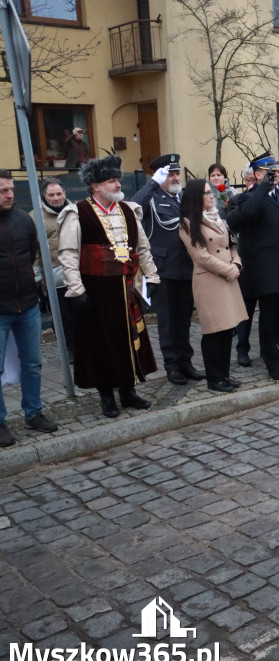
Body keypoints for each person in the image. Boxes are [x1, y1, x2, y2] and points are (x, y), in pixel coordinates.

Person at [57, 155, 160, 418]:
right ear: (95, 186)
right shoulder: (77, 212)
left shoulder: (128, 210)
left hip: (126, 288)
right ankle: (107, 396)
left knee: (128, 339)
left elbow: (143, 247)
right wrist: (76, 290)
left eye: (117, 180)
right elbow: (68, 254)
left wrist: (153, 276)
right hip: (96, 291)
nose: (116, 185)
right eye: (111, 181)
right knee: (101, 343)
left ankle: (128, 391)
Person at [226, 152, 279, 380]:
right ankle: (273, 363)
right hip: (267, 272)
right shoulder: (247, 198)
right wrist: (263, 187)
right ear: (257, 174)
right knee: (270, 320)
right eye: (269, 171)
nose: (276, 174)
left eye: (277, 170)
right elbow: (243, 216)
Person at [132, 153, 205, 386]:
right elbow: (133, 207)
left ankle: (186, 361)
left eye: (176, 173)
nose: (175, 178)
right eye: (169, 173)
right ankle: (172, 365)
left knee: (184, 319)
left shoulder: (181, 197)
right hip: (164, 269)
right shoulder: (153, 198)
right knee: (168, 322)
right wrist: (152, 183)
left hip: (186, 267)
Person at [0, 169, 59, 447]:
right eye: (3, 191)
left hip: (28, 305)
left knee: (33, 363)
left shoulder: (24, 220)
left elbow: (33, 254)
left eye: (11, 189)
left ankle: (33, 412)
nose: (10, 194)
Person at [178, 179, 247, 393]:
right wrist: (229, 270)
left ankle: (224, 375)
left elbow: (231, 244)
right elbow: (201, 257)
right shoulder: (187, 223)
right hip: (209, 280)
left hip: (228, 277)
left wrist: (236, 262)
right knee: (214, 332)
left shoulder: (217, 217)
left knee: (228, 330)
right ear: (195, 197)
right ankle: (214, 378)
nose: (211, 196)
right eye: (206, 193)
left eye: (211, 192)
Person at [31, 178, 74, 356]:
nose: (56, 198)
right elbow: (33, 250)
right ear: (44, 196)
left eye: (59, 194)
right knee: (62, 318)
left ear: (65, 194)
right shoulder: (35, 217)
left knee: (82, 313)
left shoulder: (76, 211)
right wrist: (37, 279)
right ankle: (69, 350)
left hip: (78, 273)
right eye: (51, 195)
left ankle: (85, 348)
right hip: (54, 277)